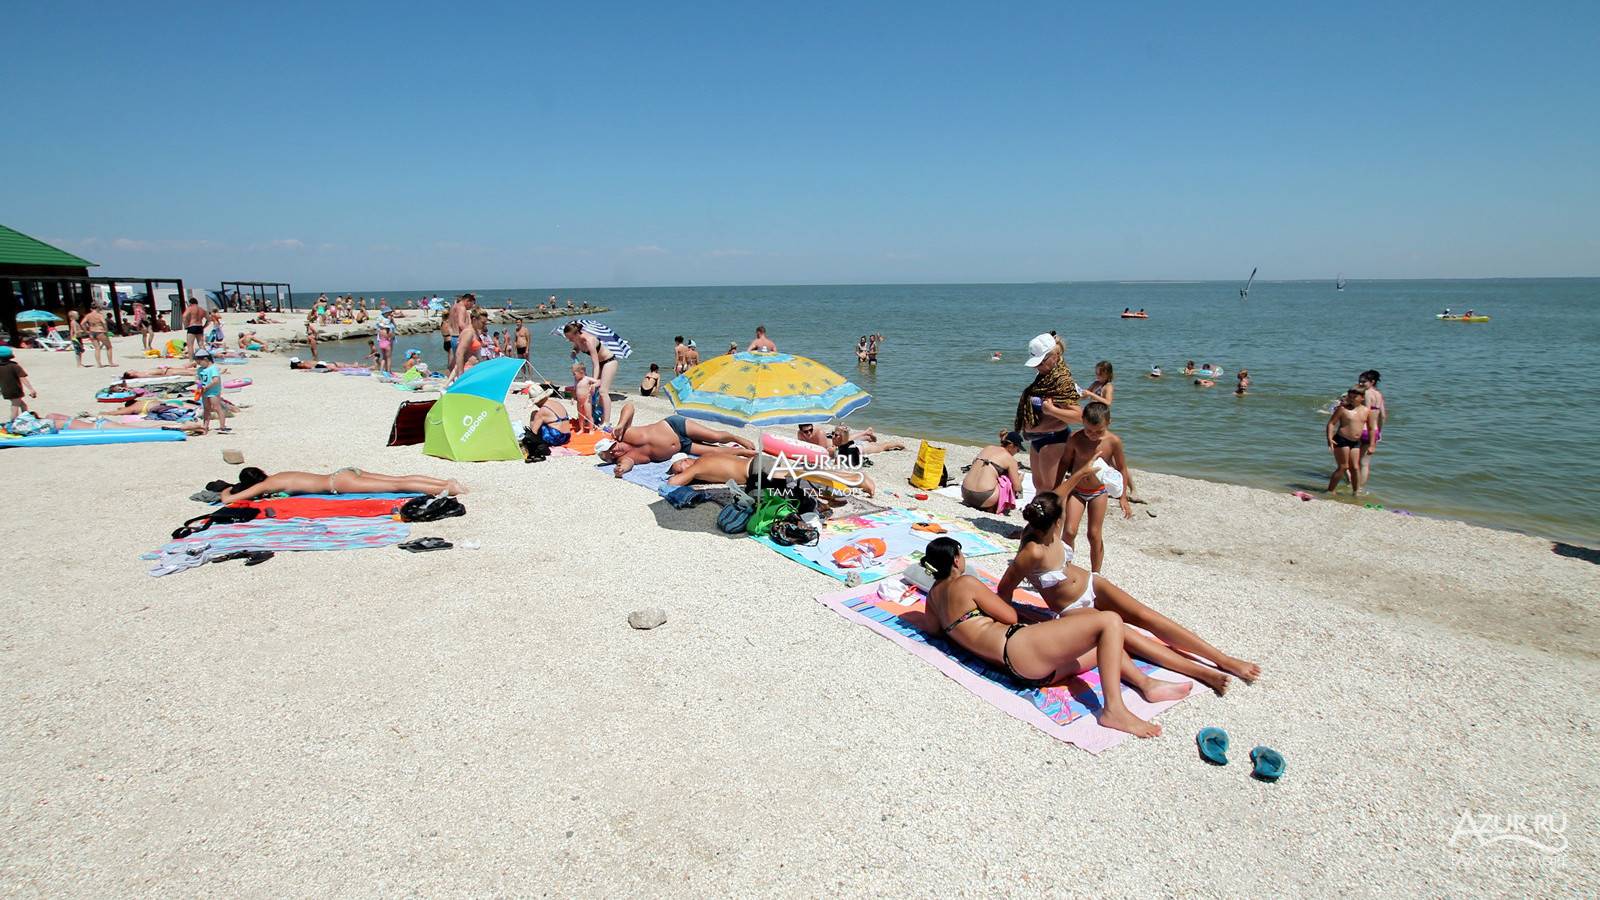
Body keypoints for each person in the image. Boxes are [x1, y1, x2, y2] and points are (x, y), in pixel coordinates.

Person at [920, 537, 1179, 738]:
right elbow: (1009, 616)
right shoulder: (965, 583)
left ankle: (1146, 684)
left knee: (1105, 644)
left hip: (1023, 671)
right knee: (1109, 620)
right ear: (956, 560)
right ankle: (1114, 710)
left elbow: (932, 630)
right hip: (1017, 646)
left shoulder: (932, 597)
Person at [998, 492, 1259, 686]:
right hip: (1070, 608)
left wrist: (1084, 470)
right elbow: (1005, 588)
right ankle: (1201, 672)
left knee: (1148, 616)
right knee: (1128, 635)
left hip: (1092, 584)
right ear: (1057, 522)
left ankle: (1223, 659)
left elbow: (1063, 490)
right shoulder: (1032, 551)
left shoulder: (1048, 523)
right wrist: (1012, 620)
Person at [1055, 401, 1135, 573]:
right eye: (1088, 430)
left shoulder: (1113, 441)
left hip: (1098, 492)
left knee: (1094, 534)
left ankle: (1096, 574)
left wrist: (1123, 497)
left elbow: (1122, 468)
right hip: (1076, 491)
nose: (1092, 435)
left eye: (1099, 431)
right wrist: (1057, 489)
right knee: (1069, 531)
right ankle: (1065, 568)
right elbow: (1064, 462)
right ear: (1082, 421)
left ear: (1108, 423)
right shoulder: (1075, 438)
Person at [596, 402, 756, 476]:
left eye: (612, 447)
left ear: (613, 442)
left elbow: (629, 406)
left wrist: (621, 423)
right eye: (611, 454)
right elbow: (626, 465)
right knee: (714, 452)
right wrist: (621, 470)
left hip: (674, 426)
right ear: (612, 458)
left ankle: (736, 438)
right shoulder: (626, 458)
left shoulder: (622, 434)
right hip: (682, 447)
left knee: (716, 437)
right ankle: (744, 452)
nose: (615, 450)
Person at [1014, 332, 1082, 495]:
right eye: (1036, 363)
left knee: (1050, 489)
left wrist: (1052, 410)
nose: (1037, 367)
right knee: (1039, 485)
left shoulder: (1062, 381)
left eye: (1041, 362)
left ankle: (1056, 514)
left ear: (1055, 356)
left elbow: (1078, 416)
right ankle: (1040, 513)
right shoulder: (1044, 376)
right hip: (1036, 439)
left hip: (1053, 439)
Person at [665, 450, 879, 496]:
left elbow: (673, 483)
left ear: (684, 461)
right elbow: (738, 452)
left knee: (808, 474)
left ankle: (858, 481)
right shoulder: (707, 457)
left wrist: (678, 476)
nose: (680, 472)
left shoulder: (696, 466)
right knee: (807, 472)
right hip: (757, 464)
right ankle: (853, 478)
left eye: (678, 467)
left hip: (757, 469)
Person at [220, 467, 466, 503]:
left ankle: (448, 489)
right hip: (343, 472)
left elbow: (228, 499)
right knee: (397, 480)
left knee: (397, 487)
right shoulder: (278, 475)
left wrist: (228, 489)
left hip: (338, 483)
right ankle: (445, 482)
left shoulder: (266, 486)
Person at [562, 321, 619, 427]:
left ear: (576, 334)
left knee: (602, 391)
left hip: (609, 362)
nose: (569, 340)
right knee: (594, 393)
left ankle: (606, 422)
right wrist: (574, 351)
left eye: (570, 338)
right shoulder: (577, 339)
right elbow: (576, 347)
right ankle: (599, 417)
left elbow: (595, 363)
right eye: (567, 338)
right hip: (599, 364)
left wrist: (594, 381)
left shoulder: (589, 340)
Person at [959, 431, 1026, 514]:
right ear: (1011, 445)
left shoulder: (988, 448)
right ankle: (992, 506)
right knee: (1009, 481)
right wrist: (1020, 480)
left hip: (965, 493)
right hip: (984, 497)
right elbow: (1017, 488)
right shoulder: (1010, 459)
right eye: (1018, 449)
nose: (1017, 452)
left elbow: (974, 464)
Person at [1326, 387, 1370, 495]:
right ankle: (1330, 491)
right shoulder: (1342, 409)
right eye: (1349, 397)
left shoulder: (1366, 411)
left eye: (1354, 397)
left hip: (1356, 442)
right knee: (1343, 467)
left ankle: (1356, 492)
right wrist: (1329, 438)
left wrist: (1372, 443)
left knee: (1355, 467)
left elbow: (1372, 428)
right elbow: (1331, 423)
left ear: (1362, 398)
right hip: (1341, 439)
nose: (1351, 399)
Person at [1357, 369, 1387, 487]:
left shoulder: (1366, 393)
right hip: (1374, 431)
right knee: (1365, 463)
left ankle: (1352, 484)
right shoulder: (1379, 395)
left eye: (1363, 382)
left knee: (1352, 460)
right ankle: (1360, 488)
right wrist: (1379, 432)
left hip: (1363, 429)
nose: (1360, 384)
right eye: (1359, 381)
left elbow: (1366, 412)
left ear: (1372, 381)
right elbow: (1383, 416)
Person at [826, 423, 906, 465]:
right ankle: (869, 437)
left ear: (841, 438)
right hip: (856, 446)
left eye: (835, 435)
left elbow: (836, 463)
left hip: (863, 448)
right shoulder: (840, 444)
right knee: (878, 445)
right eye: (833, 433)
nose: (832, 436)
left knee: (882, 447)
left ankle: (899, 444)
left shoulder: (840, 449)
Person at [194, 349, 228, 435]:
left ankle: (222, 426)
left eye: (199, 362)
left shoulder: (213, 368)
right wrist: (199, 384)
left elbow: (216, 380)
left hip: (213, 391)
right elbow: (197, 379)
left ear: (205, 359)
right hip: (204, 391)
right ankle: (205, 426)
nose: (199, 364)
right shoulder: (200, 369)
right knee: (206, 409)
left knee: (217, 408)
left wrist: (206, 387)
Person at [0, 346, 38, 420]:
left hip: (5, 390)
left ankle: (26, 419)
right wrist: (31, 389)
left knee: (23, 405)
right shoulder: (14, 366)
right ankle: (12, 422)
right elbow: (22, 378)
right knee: (14, 407)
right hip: (15, 390)